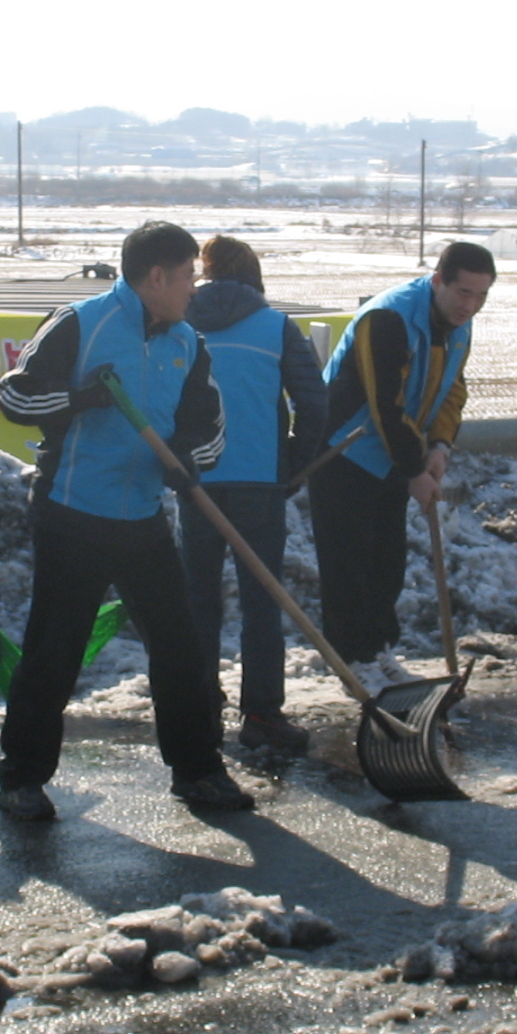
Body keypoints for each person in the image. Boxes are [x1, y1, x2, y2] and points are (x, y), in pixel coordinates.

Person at [0, 220, 243, 820]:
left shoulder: (187, 341)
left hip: (144, 520)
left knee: (180, 648)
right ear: (155, 276)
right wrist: (81, 399)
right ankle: (22, 779)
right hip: (73, 513)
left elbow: (209, 427)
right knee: (54, 651)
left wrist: (187, 462)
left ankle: (198, 769)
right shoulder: (81, 322)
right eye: (186, 277)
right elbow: (13, 397)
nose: (192, 290)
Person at [309, 240, 494, 670]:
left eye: (481, 296)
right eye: (464, 292)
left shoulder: (458, 324)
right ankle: (350, 663)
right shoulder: (388, 318)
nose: (471, 305)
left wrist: (440, 448)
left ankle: (378, 652)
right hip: (343, 452)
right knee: (348, 567)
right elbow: (385, 404)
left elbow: (453, 389)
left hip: (394, 453)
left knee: (386, 563)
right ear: (437, 281)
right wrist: (415, 469)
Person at [181, 234, 327, 753]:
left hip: (196, 480)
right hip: (260, 483)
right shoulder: (276, 327)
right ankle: (262, 715)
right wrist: (295, 465)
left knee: (198, 598)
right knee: (261, 600)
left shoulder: (181, 323)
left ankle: (198, 706)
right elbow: (314, 404)